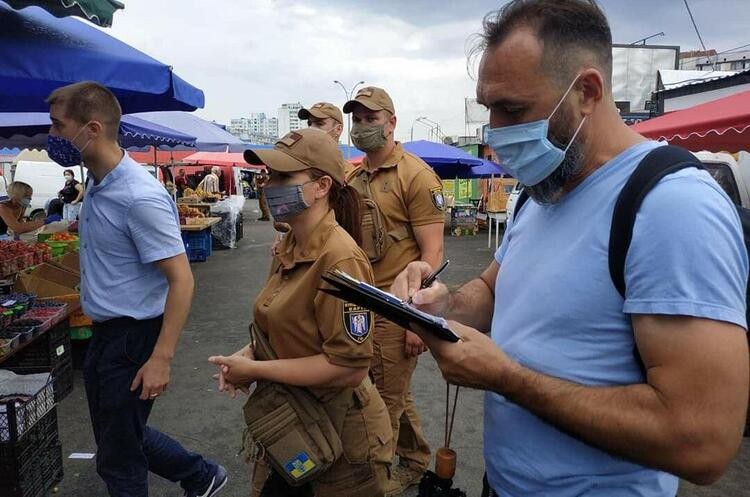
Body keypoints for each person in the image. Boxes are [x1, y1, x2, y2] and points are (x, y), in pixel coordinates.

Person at [391, 2, 749, 496]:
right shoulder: (538, 192)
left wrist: (508, 379)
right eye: (488, 109)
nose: (494, 134)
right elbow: (493, 292)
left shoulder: (672, 206)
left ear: (587, 91)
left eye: (513, 110)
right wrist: (440, 304)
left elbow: (702, 442)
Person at [46, 81, 227, 497]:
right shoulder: (98, 182)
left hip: (133, 337)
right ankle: (201, 476)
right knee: (119, 433)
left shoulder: (137, 195)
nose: (52, 137)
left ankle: (200, 474)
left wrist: (161, 358)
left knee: (118, 457)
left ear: (91, 129)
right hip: (107, 333)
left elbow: (181, 279)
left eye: (58, 126)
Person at [209, 128, 392, 497]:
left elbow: (350, 367)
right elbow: (279, 325)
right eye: (269, 175)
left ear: (322, 186)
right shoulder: (290, 242)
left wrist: (256, 370)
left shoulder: (340, 258)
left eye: (282, 177)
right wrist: (244, 359)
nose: (269, 185)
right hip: (295, 423)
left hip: (340, 435)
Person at [343, 86, 445, 495]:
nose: (363, 126)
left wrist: (416, 321)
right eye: (358, 120)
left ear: (391, 122)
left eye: (372, 118)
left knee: (381, 401)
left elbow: (433, 253)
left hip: (396, 306)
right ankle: (417, 459)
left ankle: (377, 478)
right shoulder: (353, 175)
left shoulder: (416, 176)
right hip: (358, 304)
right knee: (386, 389)